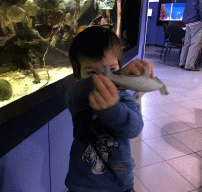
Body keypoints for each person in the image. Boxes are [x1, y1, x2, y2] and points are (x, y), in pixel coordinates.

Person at [64, 26, 154, 192]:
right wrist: (115, 76)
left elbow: (134, 128)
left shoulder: (124, 97)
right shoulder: (78, 98)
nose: (105, 78)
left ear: (120, 66)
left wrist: (111, 109)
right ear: (78, 77)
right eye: (92, 73)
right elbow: (72, 93)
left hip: (120, 185)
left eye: (112, 70)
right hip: (82, 185)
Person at [178, 0, 202, 71]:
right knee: (195, 44)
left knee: (187, 43)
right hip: (198, 21)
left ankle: (182, 63)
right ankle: (189, 65)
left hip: (189, 21)